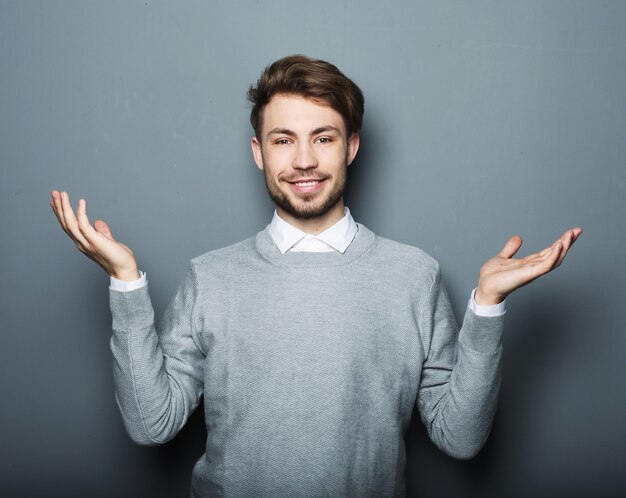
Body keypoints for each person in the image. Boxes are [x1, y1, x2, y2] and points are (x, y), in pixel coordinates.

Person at [50, 54, 582, 497]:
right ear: (259, 154)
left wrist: (487, 305)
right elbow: (151, 424)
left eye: (322, 138)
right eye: (283, 140)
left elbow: (460, 438)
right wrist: (125, 282)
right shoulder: (210, 278)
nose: (303, 160)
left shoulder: (415, 276)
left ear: (351, 146)